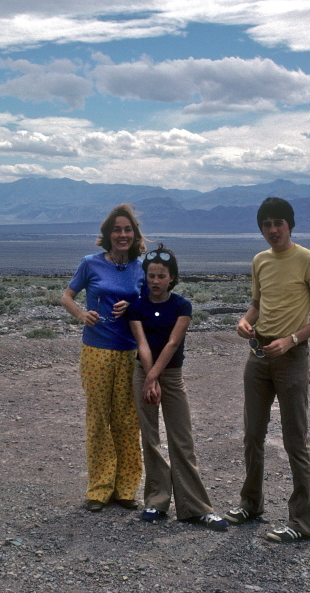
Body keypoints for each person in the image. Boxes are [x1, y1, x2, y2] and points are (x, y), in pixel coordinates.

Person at [224, 197, 310, 543]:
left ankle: (301, 523)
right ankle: (251, 504)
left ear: (290, 225)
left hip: (290, 358)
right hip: (258, 355)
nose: (273, 230)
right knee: (252, 436)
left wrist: (291, 340)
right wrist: (245, 321)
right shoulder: (260, 261)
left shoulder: (309, 260)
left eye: (278, 223)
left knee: (294, 441)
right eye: (266, 224)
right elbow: (258, 304)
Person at [127, 244, 228, 532]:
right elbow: (142, 343)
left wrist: (154, 378)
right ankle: (156, 502)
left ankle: (196, 507)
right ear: (145, 277)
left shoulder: (182, 306)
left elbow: (173, 344)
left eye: (161, 276)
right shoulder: (137, 307)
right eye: (151, 276)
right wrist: (149, 378)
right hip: (144, 372)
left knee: (181, 438)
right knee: (150, 437)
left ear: (172, 277)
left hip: (170, 375)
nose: (155, 281)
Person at [61, 204, 147, 512]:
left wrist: (135, 309)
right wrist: (82, 314)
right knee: (98, 418)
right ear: (107, 234)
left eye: (128, 230)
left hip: (130, 351)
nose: (122, 235)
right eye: (117, 230)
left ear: (134, 235)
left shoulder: (142, 267)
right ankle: (99, 487)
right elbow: (67, 296)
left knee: (127, 418)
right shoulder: (91, 263)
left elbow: (153, 305)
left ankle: (126, 488)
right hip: (96, 350)